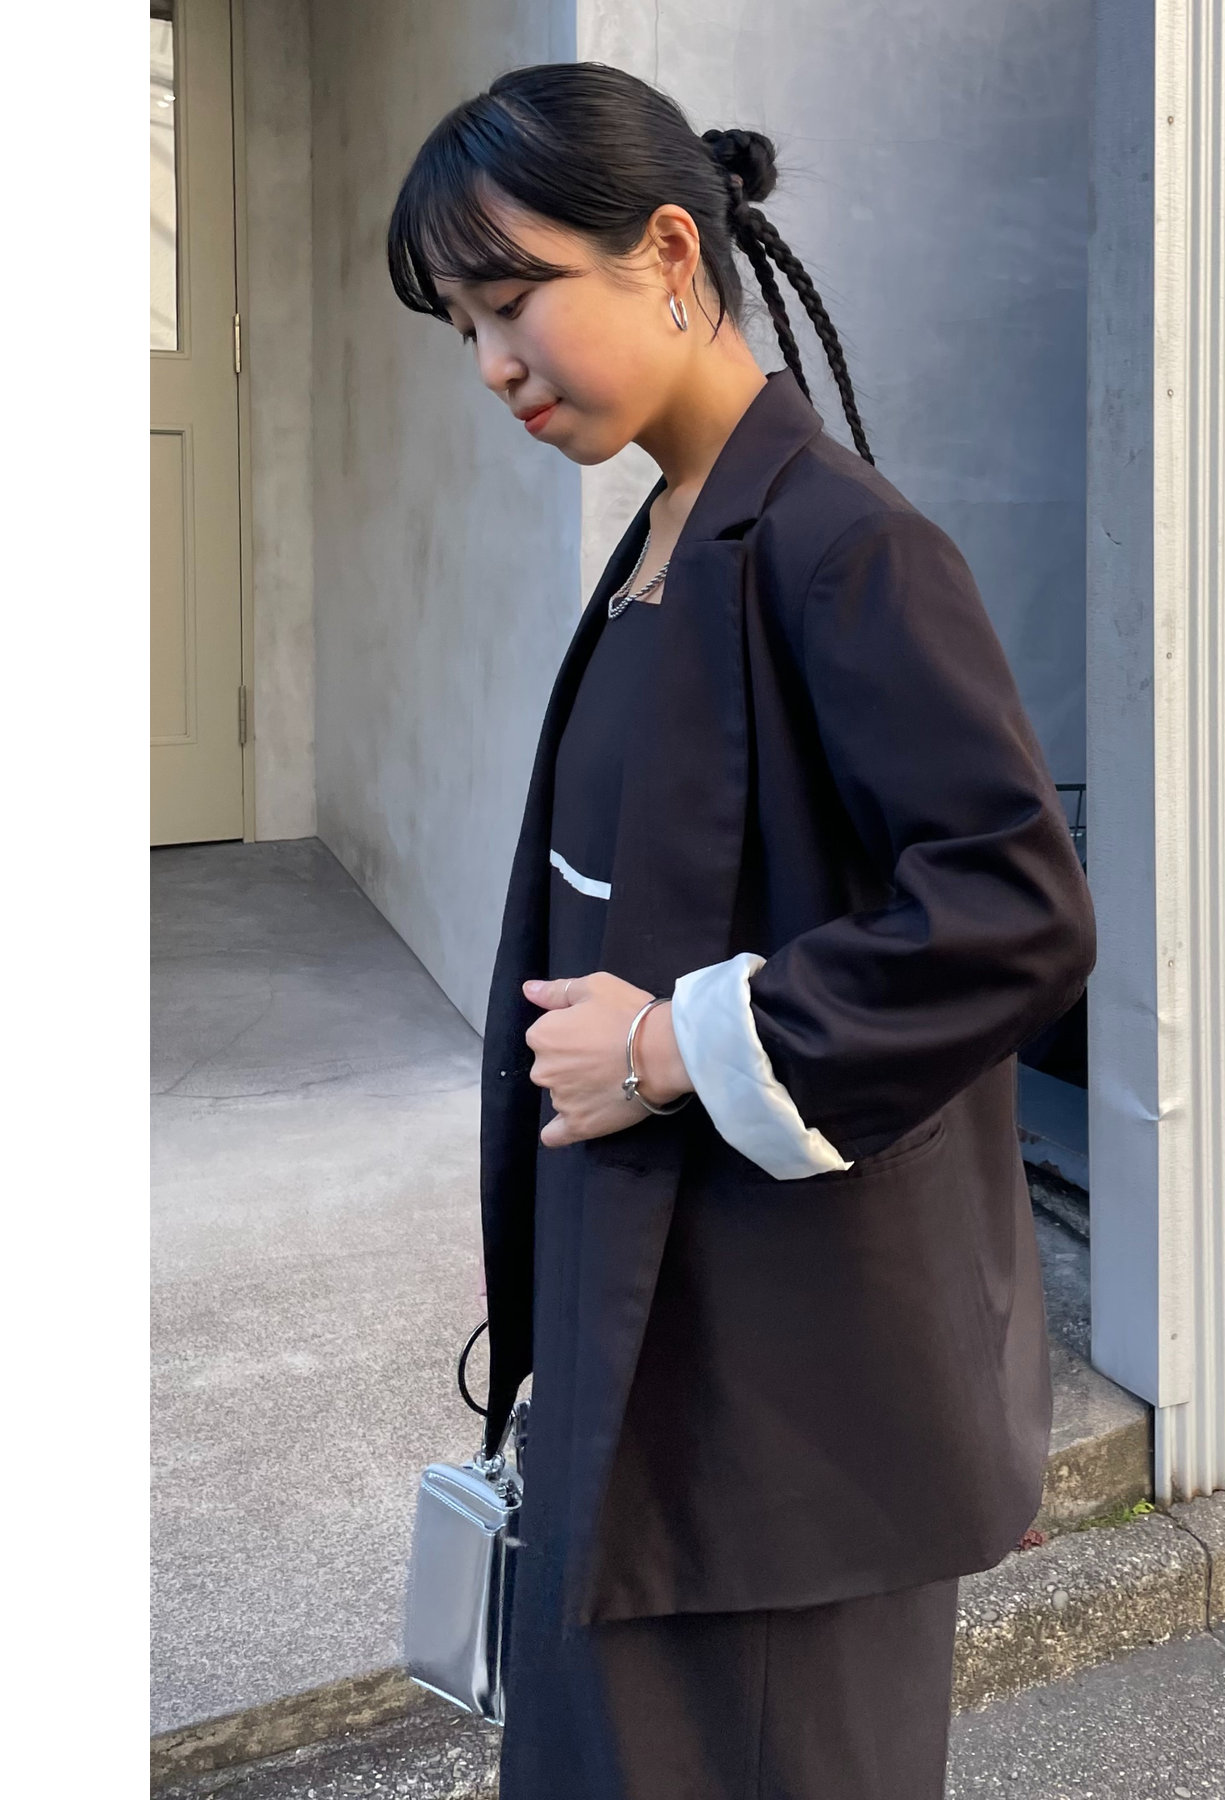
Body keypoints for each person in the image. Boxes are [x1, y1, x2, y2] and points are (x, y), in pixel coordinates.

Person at [386, 61, 1096, 1800]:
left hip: (786, 1396)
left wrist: (659, 1047)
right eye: (465, 324)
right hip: (657, 1329)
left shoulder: (846, 549)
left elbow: (1013, 912)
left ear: (667, 252)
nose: (492, 363)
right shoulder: (673, 527)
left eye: (513, 299)